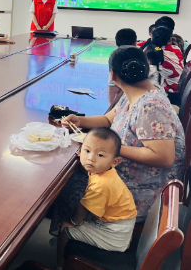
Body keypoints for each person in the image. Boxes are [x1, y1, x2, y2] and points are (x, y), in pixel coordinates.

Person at [54, 46, 184, 231]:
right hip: (128, 179)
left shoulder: (151, 107)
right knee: (78, 172)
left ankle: (71, 233)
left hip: (140, 194)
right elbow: (108, 120)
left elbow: (164, 157)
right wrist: (80, 120)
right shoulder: (136, 92)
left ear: (112, 75)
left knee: (68, 186)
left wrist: (111, 149)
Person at [56, 128, 137, 270]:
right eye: (87, 151)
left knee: (64, 230)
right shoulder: (105, 171)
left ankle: (59, 265)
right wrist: (84, 156)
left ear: (115, 161)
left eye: (100, 155)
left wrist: (72, 222)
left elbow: (83, 209)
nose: (91, 158)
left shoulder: (101, 185)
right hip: (122, 224)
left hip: (114, 233)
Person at [144, 25, 183, 104]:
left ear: (152, 38)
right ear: (170, 40)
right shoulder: (176, 49)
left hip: (167, 95)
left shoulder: (156, 53)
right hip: (179, 92)